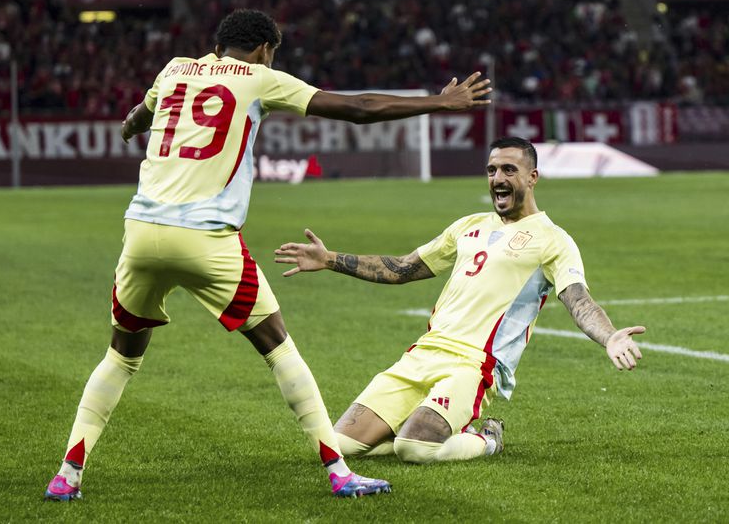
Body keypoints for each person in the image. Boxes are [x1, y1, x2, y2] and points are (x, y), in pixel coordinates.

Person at [44, 8, 492, 501]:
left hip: (140, 233)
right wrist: (440, 101)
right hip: (206, 239)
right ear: (263, 49)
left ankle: (68, 474)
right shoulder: (259, 77)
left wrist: (131, 126)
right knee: (278, 347)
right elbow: (358, 107)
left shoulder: (173, 68)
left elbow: (141, 114)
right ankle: (339, 472)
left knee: (121, 356)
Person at [274, 136, 646, 464]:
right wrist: (329, 259)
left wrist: (609, 335)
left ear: (532, 178)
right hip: (422, 354)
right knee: (336, 446)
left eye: (509, 170)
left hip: (473, 364)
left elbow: (578, 300)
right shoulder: (468, 226)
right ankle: (416, 425)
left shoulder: (553, 240)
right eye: (491, 170)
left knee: (414, 450)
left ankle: (487, 440)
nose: (497, 179)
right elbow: (403, 268)